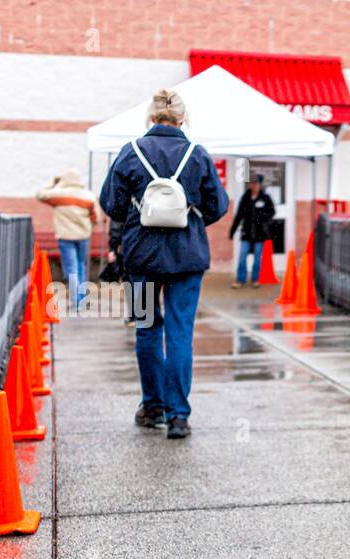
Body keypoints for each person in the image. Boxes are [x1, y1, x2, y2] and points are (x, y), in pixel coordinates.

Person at [99, 88, 229, 439]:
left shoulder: (132, 152)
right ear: (183, 118)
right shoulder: (196, 155)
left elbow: (110, 203)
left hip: (141, 257)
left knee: (146, 329)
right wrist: (188, 216)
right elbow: (218, 205)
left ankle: (152, 406)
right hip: (187, 257)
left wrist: (141, 213)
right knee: (180, 333)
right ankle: (178, 416)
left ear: (151, 118)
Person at [37, 169, 99, 310]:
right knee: (81, 266)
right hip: (83, 236)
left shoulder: (58, 195)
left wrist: (53, 181)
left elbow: (40, 194)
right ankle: (82, 299)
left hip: (65, 236)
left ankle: (76, 301)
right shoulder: (89, 196)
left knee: (71, 268)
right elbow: (95, 217)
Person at [228, 174, 276, 288]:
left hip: (260, 233)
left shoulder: (265, 198)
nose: (254, 185)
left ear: (260, 184)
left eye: (256, 183)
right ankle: (240, 279)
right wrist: (232, 230)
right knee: (242, 256)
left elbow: (272, 212)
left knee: (257, 257)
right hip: (246, 232)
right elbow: (239, 215)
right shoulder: (245, 198)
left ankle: (255, 279)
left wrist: (262, 216)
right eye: (252, 183)